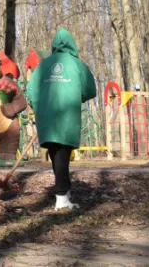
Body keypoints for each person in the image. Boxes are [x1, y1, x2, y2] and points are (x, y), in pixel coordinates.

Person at [26, 28, 96, 211]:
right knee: (62, 154)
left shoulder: (43, 66)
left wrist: (39, 106)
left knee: (56, 154)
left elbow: (31, 91)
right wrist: (77, 95)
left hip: (47, 118)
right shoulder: (77, 65)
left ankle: (64, 192)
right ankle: (62, 197)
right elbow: (90, 89)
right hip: (67, 116)